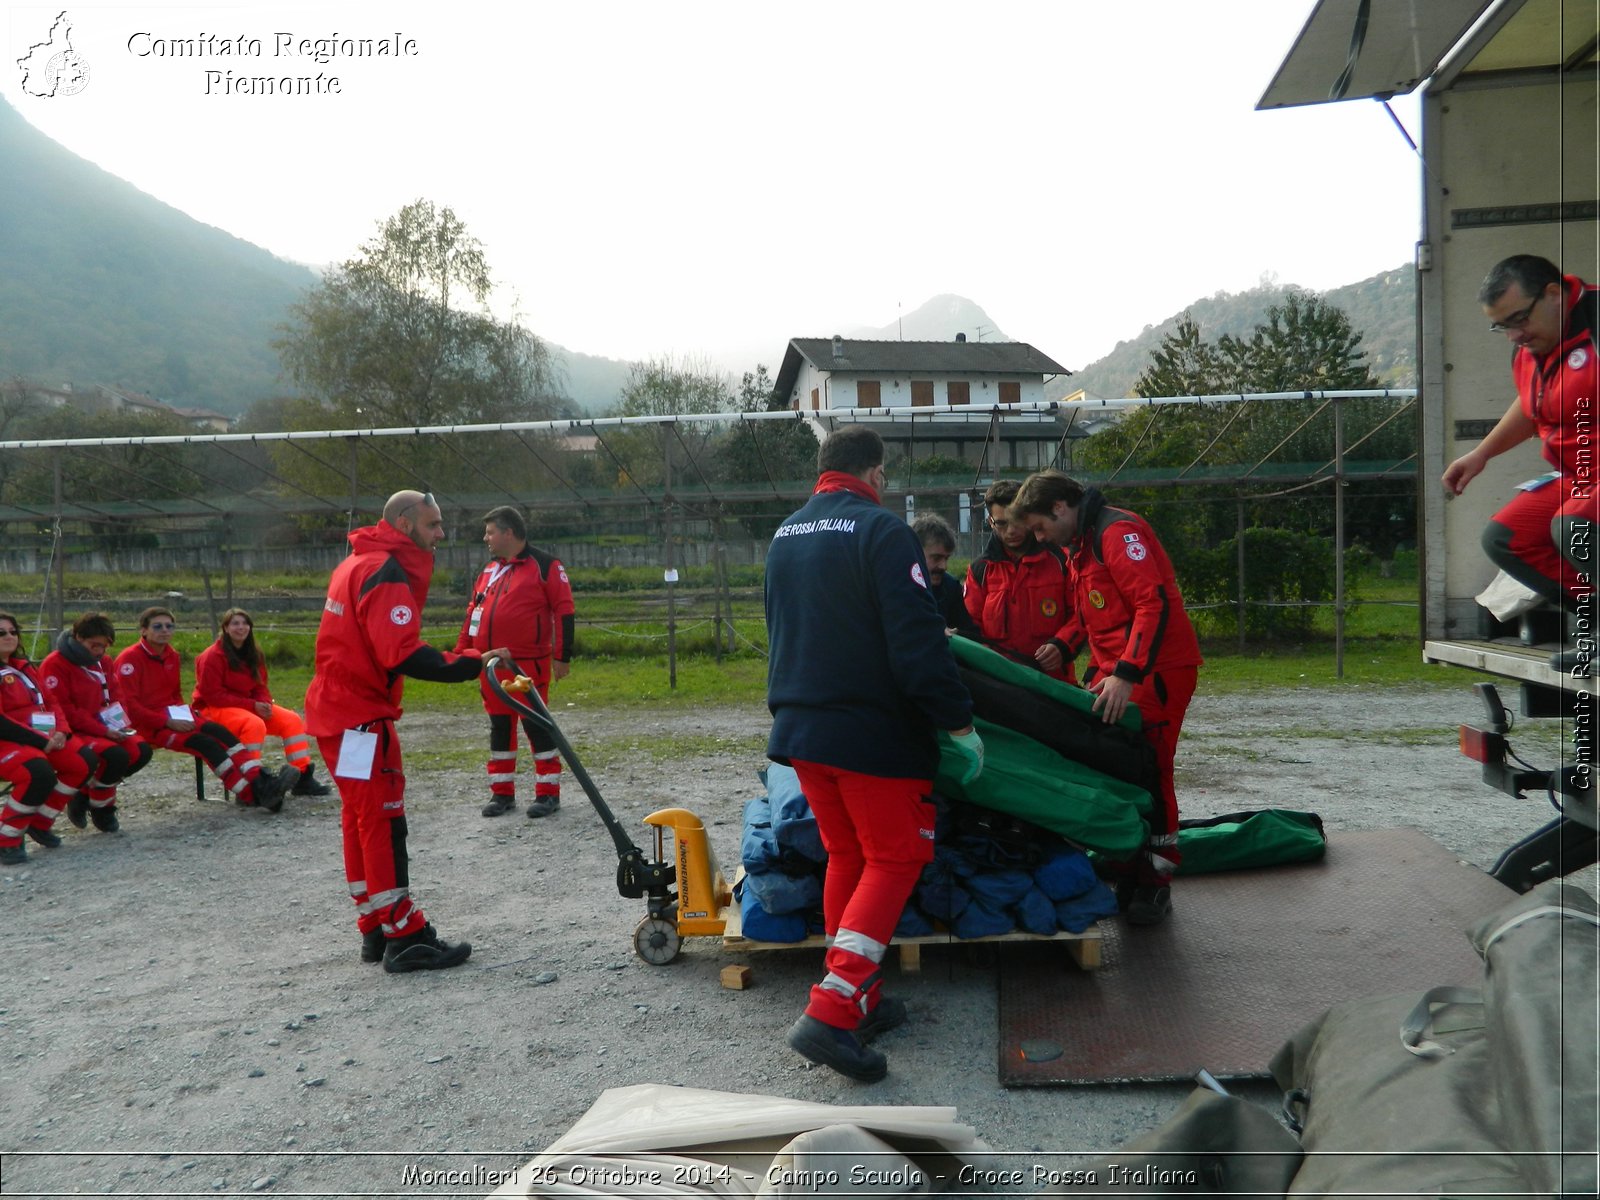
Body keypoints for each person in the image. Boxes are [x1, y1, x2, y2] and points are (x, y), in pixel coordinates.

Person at [766, 426, 983, 1082]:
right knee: (894, 857)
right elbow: (918, 642)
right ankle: (831, 1013)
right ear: (876, 473)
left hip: (803, 728)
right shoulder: (883, 532)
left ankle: (859, 995)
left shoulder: (785, 535)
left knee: (849, 857)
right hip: (871, 734)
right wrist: (957, 722)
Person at [304, 490, 510, 974]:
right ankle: (406, 935)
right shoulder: (384, 571)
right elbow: (401, 652)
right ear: (403, 522)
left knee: (360, 818)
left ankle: (375, 926)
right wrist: (471, 664)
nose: (441, 534)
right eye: (433, 524)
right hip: (360, 717)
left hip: (339, 711)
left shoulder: (355, 562)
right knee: (382, 820)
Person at [1011, 471, 1201, 926]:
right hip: (1120, 670)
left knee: (1151, 768)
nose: (1039, 538)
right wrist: (1063, 645)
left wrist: (1125, 674)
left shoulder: (1118, 533)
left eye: (1039, 527)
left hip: (1155, 672)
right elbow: (1091, 612)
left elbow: (1151, 604)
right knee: (1112, 763)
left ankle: (1156, 880)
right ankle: (1129, 864)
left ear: (1060, 507)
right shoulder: (1082, 544)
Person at [1442, 255, 1599, 670]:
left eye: (1518, 319)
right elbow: (1532, 407)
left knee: (1575, 523)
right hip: (1580, 474)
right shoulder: (1532, 346)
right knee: (1508, 537)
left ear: (1552, 294)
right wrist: (1482, 453)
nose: (1514, 335)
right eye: (1502, 326)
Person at [114, 607, 298, 813]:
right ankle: (251, 794)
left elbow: (174, 696)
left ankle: (263, 783)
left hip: (174, 717)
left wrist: (187, 716)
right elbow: (129, 706)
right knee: (207, 745)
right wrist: (167, 722)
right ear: (144, 630)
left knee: (224, 736)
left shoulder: (171, 655)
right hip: (149, 725)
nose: (164, 630)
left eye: (169, 626)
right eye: (157, 626)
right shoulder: (129, 659)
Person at [456, 505, 575, 820]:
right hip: (490, 666)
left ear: (508, 533)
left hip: (527, 667)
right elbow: (473, 613)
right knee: (500, 727)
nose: (486, 538)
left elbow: (564, 610)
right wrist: (463, 653)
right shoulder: (488, 571)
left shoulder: (546, 566)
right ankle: (501, 793)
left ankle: (548, 793)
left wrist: (562, 656)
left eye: (490, 531)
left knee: (537, 727)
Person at [192, 608, 331, 798]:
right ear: (225, 628)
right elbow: (212, 695)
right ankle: (251, 783)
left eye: (245, 623)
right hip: (213, 709)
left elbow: (260, 685)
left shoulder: (253, 653)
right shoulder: (212, 656)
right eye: (235, 623)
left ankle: (303, 777)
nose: (241, 627)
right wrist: (252, 706)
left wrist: (264, 702)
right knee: (253, 724)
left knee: (292, 720)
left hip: (246, 705)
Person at [39, 612, 153, 833]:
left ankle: (83, 794)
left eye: (104, 647)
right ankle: (103, 809)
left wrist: (120, 723)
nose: (100, 651)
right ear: (78, 637)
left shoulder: (103, 662)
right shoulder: (54, 664)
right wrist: (103, 730)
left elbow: (116, 693)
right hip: (75, 730)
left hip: (104, 727)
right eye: (95, 645)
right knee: (115, 756)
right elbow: (64, 709)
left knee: (141, 752)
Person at [0, 612, 97, 863]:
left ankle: (40, 822)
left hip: (41, 736)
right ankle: (7, 839)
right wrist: (41, 741)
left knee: (83, 762)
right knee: (36, 773)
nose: (9, 637)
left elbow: (50, 701)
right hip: (9, 741)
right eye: (2, 633)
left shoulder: (23, 666)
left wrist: (63, 730)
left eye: (13, 631)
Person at [963, 478, 1080, 683]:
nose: (1011, 531)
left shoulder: (1062, 561)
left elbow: (1082, 614)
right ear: (991, 522)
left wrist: (1063, 645)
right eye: (1001, 523)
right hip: (1001, 686)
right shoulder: (980, 571)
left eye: (1017, 521)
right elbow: (970, 628)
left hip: (1054, 686)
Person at [910, 513, 978, 637]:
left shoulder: (950, 588)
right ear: (915, 553)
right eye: (936, 558)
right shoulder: (897, 588)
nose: (944, 566)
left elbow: (969, 633)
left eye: (946, 558)